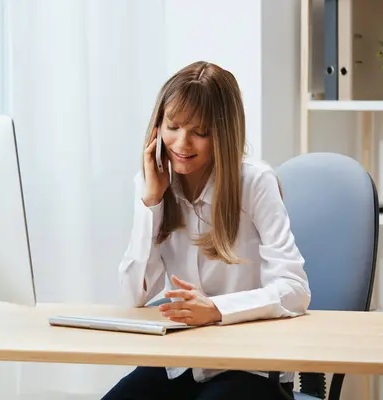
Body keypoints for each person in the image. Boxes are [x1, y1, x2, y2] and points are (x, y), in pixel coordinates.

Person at [102, 61, 311, 400]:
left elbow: (295, 290)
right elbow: (133, 295)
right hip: (181, 362)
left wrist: (216, 309)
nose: (182, 143)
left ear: (223, 135)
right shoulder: (152, 185)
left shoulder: (255, 183)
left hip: (248, 368)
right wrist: (151, 202)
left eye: (199, 132)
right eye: (172, 126)